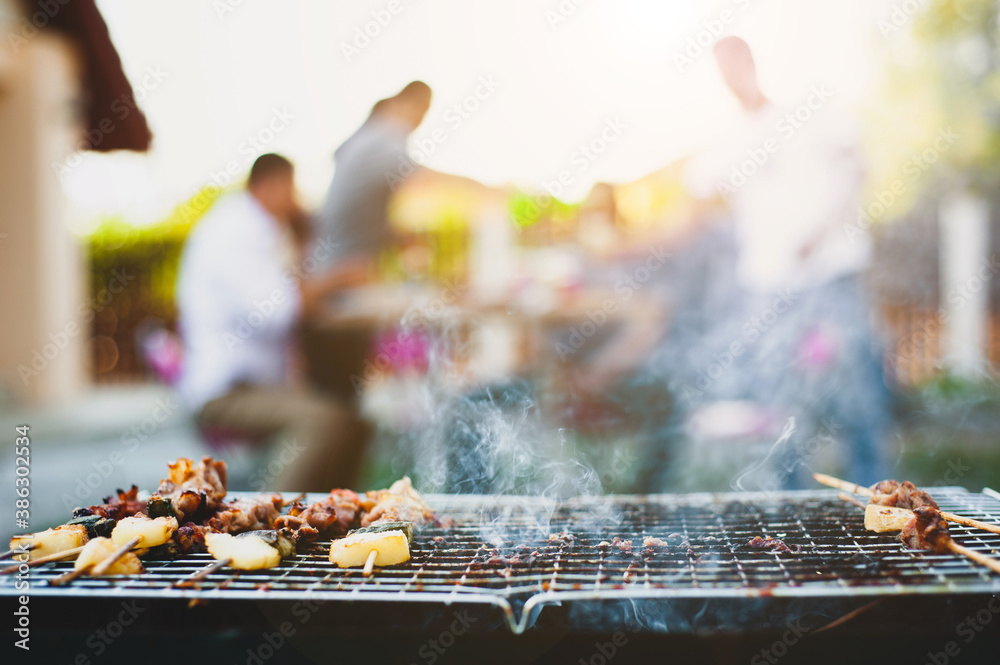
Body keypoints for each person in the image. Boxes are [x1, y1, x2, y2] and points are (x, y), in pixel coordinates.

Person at [683, 36, 890, 487]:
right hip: (771, 286)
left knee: (856, 390)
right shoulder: (728, 143)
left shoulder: (805, 118)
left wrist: (820, 230)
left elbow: (857, 167)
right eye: (722, 68)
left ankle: (880, 494)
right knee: (780, 399)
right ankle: (791, 501)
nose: (732, 75)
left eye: (737, 62)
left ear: (753, 62)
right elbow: (695, 196)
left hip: (832, 275)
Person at [176, 153, 368, 491]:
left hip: (251, 386)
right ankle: (273, 524)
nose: (296, 202)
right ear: (271, 186)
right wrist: (339, 279)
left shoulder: (250, 225)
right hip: (225, 393)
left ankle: (332, 521)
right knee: (325, 422)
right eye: (292, 190)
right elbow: (277, 310)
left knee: (354, 424)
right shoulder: (238, 231)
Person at [302, 82, 435, 403]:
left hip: (333, 286)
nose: (417, 125)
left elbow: (355, 213)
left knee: (344, 394)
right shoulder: (383, 137)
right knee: (342, 399)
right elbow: (423, 180)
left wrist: (393, 235)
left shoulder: (358, 144)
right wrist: (492, 191)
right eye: (420, 114)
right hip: (340, 289)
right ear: (404, 106)